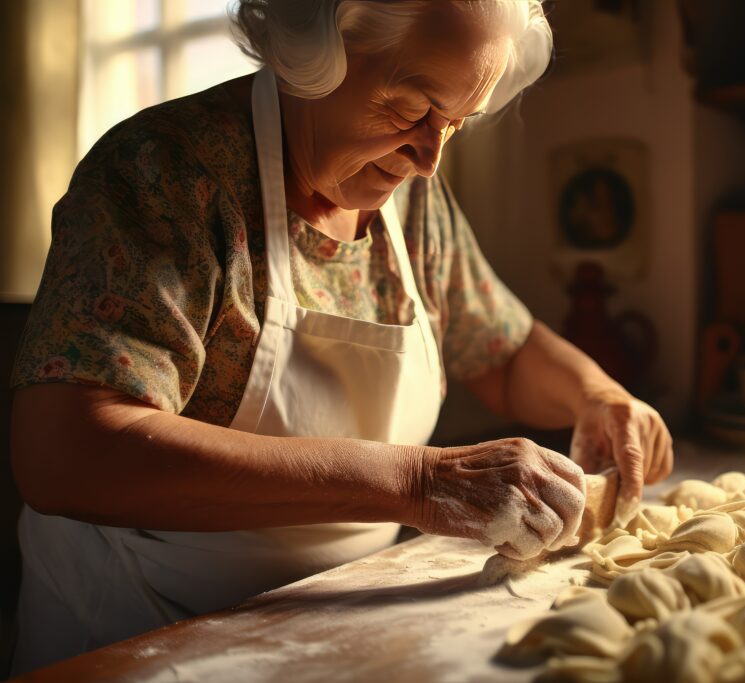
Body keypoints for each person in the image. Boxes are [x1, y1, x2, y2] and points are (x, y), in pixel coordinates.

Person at [9, 0, 672, 672]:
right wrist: (416, 482)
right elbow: (65, 452)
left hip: (335, 625)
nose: (429, 160)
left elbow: (502, 348)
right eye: (413, 108)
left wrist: (597, 393)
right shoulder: (166, 175)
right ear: (313, 48)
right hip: (141, 631)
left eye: (456, 123)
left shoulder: (410, 199)